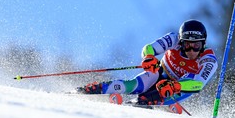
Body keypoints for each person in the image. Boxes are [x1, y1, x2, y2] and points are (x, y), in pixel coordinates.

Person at [76, 19, 218, 106]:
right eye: (187, 45)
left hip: (179, 87)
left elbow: (198, 84)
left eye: (196, 45)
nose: (192, 50)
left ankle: (148, 101)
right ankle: (96, 89)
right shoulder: (173, 39)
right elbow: (149, 48)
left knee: (162, 91)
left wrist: (176, 85)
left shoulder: (209, 59)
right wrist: (148, 57)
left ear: (203, 44)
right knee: (135, 84)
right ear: (181, 42)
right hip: (161, 73)